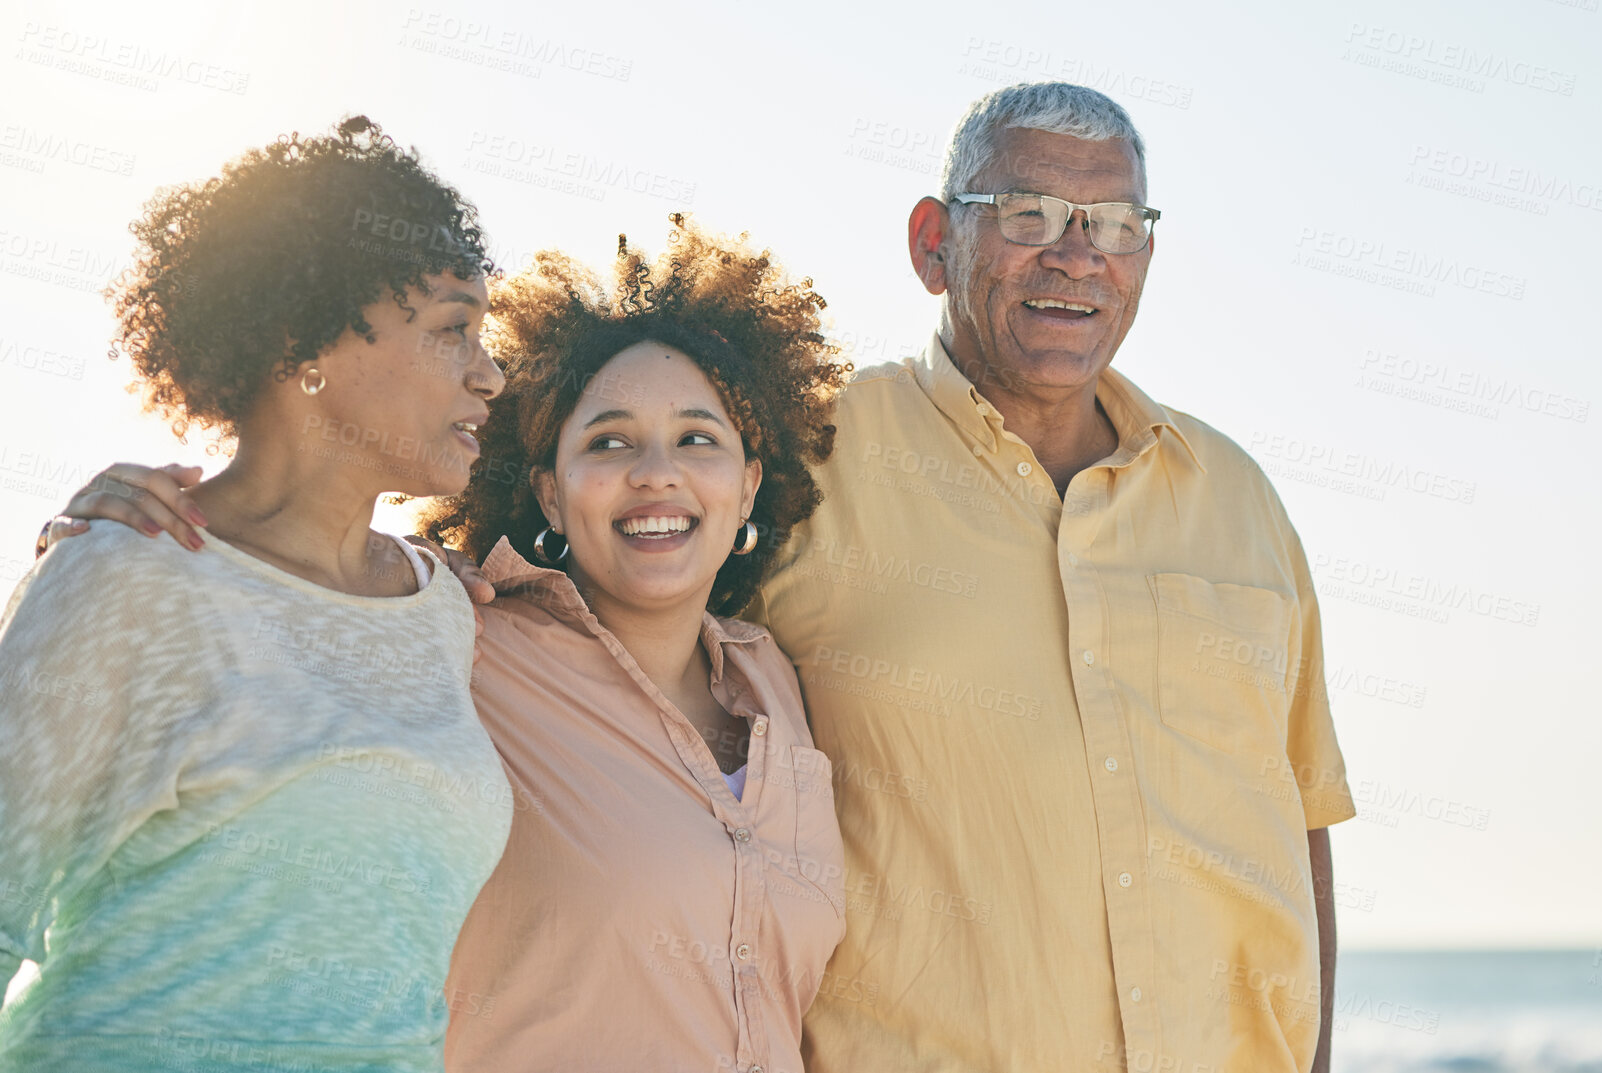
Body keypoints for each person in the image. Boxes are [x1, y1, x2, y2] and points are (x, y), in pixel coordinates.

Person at [58, 82, 1357, 1073]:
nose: (1074, 253)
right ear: (932, 241)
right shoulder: (803, 468)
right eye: (1026, 216)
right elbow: (353, 582)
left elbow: (1294, 817)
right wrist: (185, 519)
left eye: (1113, 223)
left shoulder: (1234, 499)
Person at [44, 217, 853, 1073]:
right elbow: (272, 590)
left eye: (698, 438)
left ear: (749, 483)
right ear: (548, 491)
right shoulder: (451, 627)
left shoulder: (777, 677)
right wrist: (116, 535)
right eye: (608, 442)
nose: (657, 471)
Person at [0, 117, 513, 1071]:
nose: (489, 372)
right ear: (301, 344)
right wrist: (60, 571)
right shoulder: (126, 570)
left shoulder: (445, 610)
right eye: (453, 330)